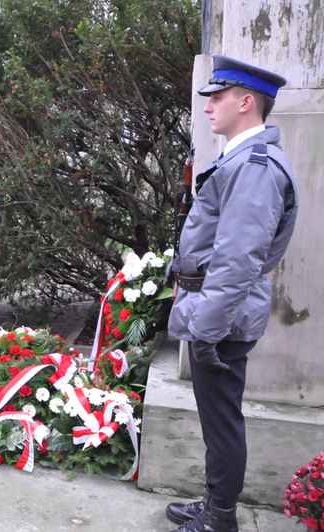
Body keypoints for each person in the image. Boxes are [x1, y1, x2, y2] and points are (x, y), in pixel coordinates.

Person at [165, 55, 297, 532]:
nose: (207, 107)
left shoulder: (255, 165)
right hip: (215, 310)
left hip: (221, 316)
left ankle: (220, 517)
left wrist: (206, 330)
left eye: (216, 98)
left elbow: (238, 259)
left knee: (222, 421)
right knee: (217, 418)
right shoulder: (242, 158)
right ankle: (214, 503)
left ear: (245, 102)